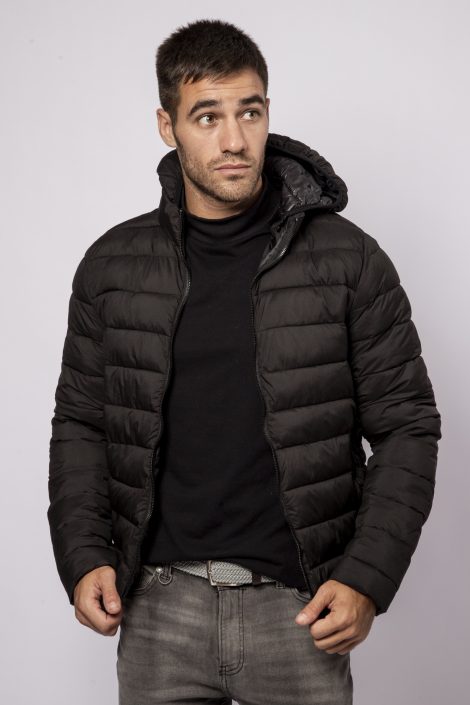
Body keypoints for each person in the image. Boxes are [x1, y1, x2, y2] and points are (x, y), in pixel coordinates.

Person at [47, 18, 442, 705]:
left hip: (299, 610)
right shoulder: (113, 266)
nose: (234, 140)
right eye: (208, 116)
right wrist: (83, 557)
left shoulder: (349, 259)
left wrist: (367, 576)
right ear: (168, 126)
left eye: (250, 112)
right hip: (159, 608)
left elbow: (408, 424)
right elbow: (82, 422)